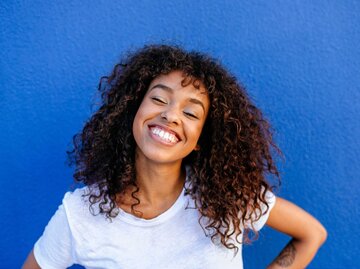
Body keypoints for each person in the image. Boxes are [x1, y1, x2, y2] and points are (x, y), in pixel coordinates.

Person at [23, 44, 327, 269]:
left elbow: (311, 234)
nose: (170, 115)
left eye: (191, 112)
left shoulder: (228, 197)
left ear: (200, 140)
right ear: (133, 111)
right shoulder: (79, 215)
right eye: (158, 98)